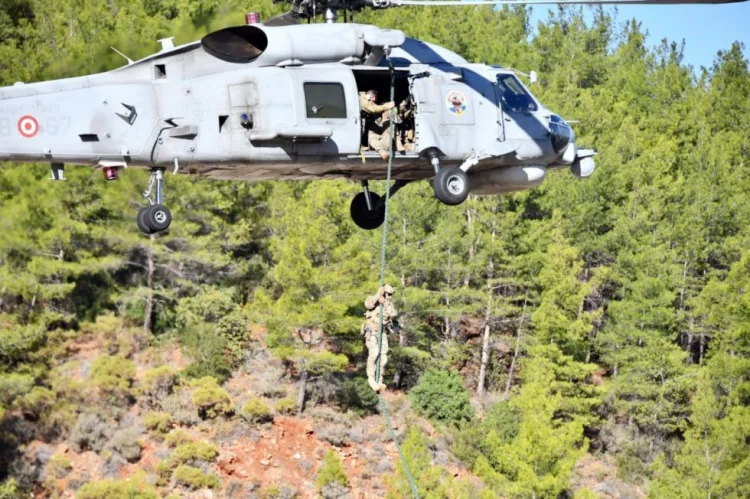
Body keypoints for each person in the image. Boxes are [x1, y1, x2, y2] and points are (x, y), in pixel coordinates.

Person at [361, 284, 398, 392]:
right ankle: (371, 379)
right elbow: (368, 305)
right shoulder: (372, 299)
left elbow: (393, 314)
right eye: (387, 294)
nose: (389, 296)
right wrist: (378, 296)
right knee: (374, 353)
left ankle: (379, 379)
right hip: (372, 332)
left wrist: (385, 303)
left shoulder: (388, 304)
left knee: (383, 357)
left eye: (390, 294)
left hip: (382, 333)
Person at [359, 90, 401, 160]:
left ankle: (398, 143)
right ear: (372, 97)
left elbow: (376, 108)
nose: (373, 102)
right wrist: (387, 106)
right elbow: (373, 109)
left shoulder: (366, 99)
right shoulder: (362, 99)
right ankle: (380, 151)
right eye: (373, 100)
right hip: (371, 132)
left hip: (383, 137)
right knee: (371, 137)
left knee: (391, 125)